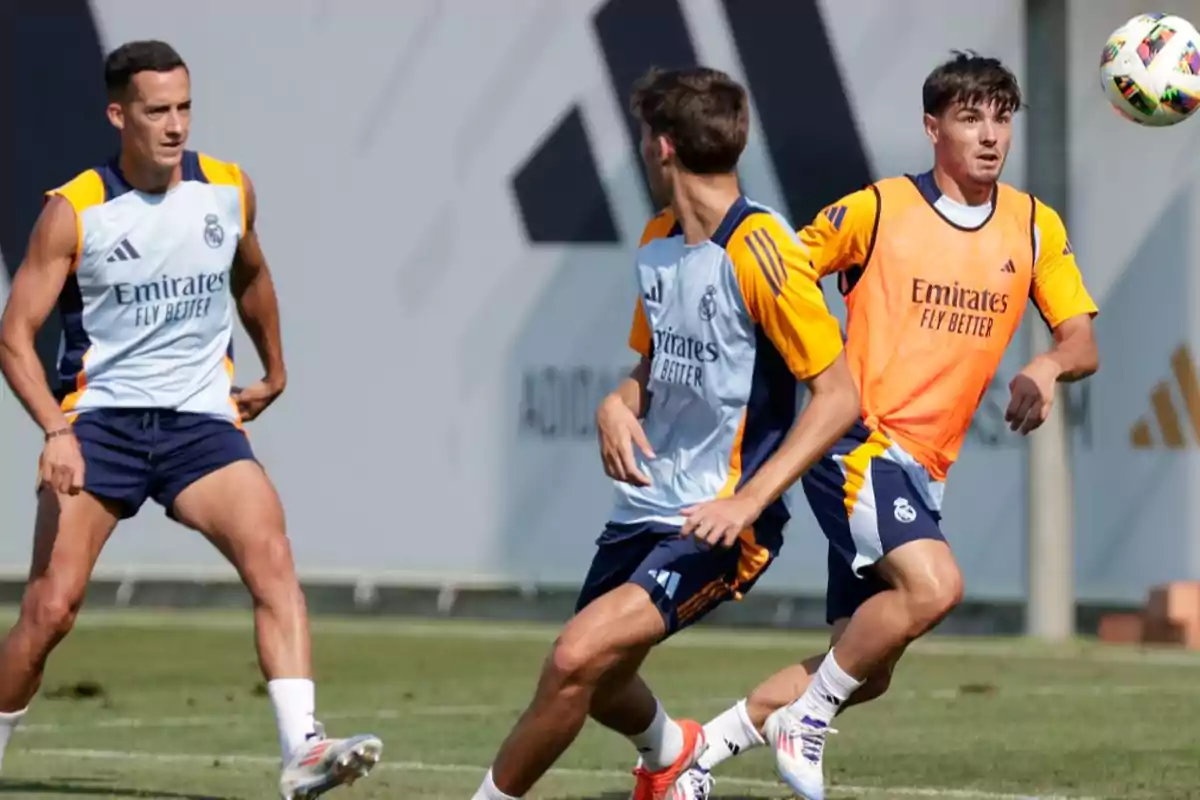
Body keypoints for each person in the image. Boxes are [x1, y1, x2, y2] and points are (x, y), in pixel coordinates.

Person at [668, 51, 1100, 800]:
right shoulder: (877, 208)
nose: (991, 135)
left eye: (1002, 117)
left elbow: (1082, 339)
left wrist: (1046, 368)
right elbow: (777, 275)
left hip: (923, 470)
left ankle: (699, 752)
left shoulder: (1034, 226)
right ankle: (806, 723)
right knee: (936, 588)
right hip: (856, 446)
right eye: (971, 117)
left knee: (863, 665)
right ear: (933, 128)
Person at [0, 40, 381, 799]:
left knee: (271, 557)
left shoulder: (227, 190)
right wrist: (56, 430)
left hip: (198, 424)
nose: (175, 126)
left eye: (184, 108)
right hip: (100, 426)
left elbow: (253, 276)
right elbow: (14, 336)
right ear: (118, 115)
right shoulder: (74, 211)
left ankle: (302, 748)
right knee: (50, 609)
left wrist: (275, 368)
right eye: (156, 111)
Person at [471, 66, 861, 800]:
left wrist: (746, 506)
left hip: (718, 521)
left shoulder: (763, 251)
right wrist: (616, 403)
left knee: (571, 659)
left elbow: (839, 398)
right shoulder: (659, 240)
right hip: (648, 504)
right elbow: (649, 364)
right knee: (602, 676)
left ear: (661, 148)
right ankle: (672, 751)